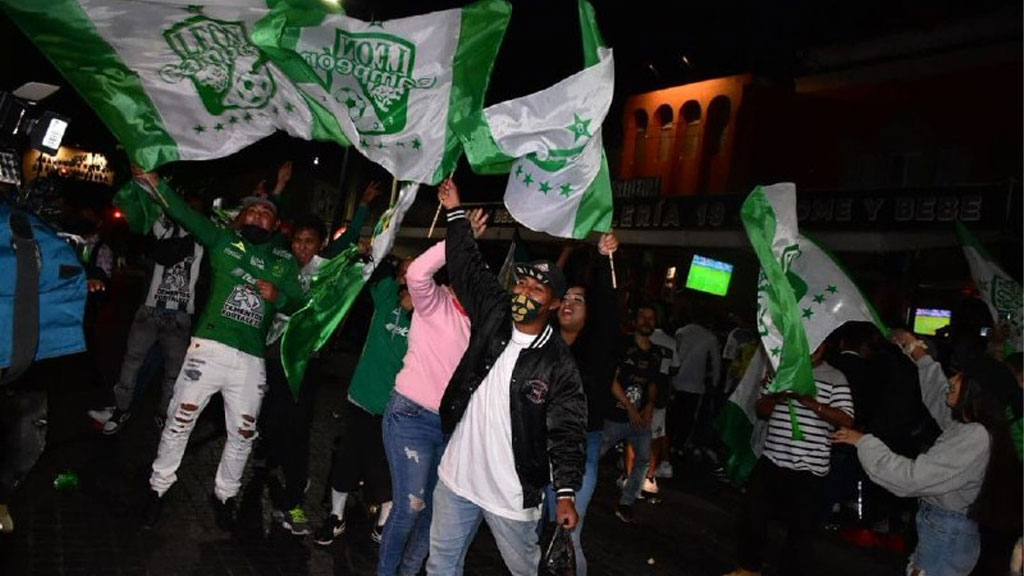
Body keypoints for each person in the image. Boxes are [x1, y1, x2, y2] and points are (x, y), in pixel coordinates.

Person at [130, 167, 305, 531]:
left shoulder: (283, 262)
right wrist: (156, 183)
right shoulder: (223, 242)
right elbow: (184, 213)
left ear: (275, 226)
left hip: (251, 360)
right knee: (180, 420)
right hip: (207, 348)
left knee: (243, 433)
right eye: (252, 212)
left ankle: (225, 495)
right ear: (239, 219)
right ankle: (157, 489)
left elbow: (301, 305)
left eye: (266, 214)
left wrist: (281, 296)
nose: (259, 215)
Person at [427, 180, 585, 576]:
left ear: (552, 303)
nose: (525, 291)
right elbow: (467, 267)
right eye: (521, 282)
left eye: (537, 288)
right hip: (457, 478)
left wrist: (564, 493)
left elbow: (566, 432)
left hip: (510, 498)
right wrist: (455, 211)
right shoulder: (495, 313)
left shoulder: (559, 364)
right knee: (441, 565)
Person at [838, 329, 1021, 576]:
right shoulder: (970, 425)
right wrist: (917, 352)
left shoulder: (975, 436)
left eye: (960, 378)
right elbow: (938, 392)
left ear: (976, 392)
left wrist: (865, 442)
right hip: (942, 530)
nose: (952, 381)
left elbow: (911, 479)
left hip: (945, 536)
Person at [259, 183, 379, 536]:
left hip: (304, 363)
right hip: (270, 355)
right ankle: (272, 457)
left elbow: (348, 244)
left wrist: (364, 210)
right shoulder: (281, 261)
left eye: (309, 241)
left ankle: (295, 497)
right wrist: (278, 191)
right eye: (297, 240)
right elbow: (266, 233)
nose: (301, 247)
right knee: (271, 421)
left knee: (297, 429)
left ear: (320, 244)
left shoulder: (325, 271)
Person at [376, 208, 486, 576]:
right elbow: (416, 272)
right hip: (409, 416)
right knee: (412, 505)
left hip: (451, 428)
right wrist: (459, 237)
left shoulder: (482, 323)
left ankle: (409, 571)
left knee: (437, 510)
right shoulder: (433, 300)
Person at [723, 343, 855, 576]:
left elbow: (846, 420)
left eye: (819, 342)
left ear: (825, 346)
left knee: (801, 532)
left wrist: (811, 403)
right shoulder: (782, 370)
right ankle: (749, 568)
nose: (813, 346)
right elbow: (761, 410)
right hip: (772, 460)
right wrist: (779, 394)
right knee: (753, 516)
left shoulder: (836, 377)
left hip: (810, 469)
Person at [312, 254, 411, 545]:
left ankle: (383, 522)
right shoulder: (386, 295)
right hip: (362, 397)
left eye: (414, 274)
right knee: (348, 459)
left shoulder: (430, 312)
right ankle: (336, 517)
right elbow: (374, 267)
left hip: (397, 407)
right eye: (403, 273)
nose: (407, 278)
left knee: (385, 466)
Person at [543, 233, 620, 576]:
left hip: (580, 447)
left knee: (567, 527)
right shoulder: (543, 342)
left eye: (579, 298)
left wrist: (605, 259)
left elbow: (610, 304)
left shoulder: (599, 349)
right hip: (536, 445)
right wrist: (565, 251)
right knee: (535, 528)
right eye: (566, 298)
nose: (570, 303)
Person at [95, 202, 205, 434]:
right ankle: (121, 409)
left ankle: (164, 413)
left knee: (173, 373)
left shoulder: (203, 235)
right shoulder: (163, 229)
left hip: (179, 315)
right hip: (151, 310)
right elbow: (146, 210)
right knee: (131, 364)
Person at [601, 303, 672, 523]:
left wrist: (650, 404)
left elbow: (652, 383)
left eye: (651, 319)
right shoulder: (622, 345)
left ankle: (626, 503)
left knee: (643, 460)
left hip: (640, 421)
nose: (647, 322)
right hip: (615, 415)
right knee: (593, 456)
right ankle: (571, 493)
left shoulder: (656, 354)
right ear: (636, 319)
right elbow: (610, 380)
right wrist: (630, 407)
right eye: (643, 317)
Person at [670, 307, 722, 467]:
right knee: (689, 417)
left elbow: (673, 354)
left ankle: (671, 443)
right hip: (695, 385)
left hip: (677, 381)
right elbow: (716, 364)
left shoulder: (681, 332)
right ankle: (680, 445)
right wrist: (714, 383)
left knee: (674, 414)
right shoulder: (710, 338)